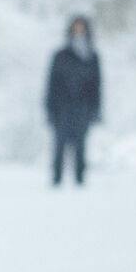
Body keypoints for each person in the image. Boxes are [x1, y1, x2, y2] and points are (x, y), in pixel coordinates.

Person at [43, 15, 102, 187]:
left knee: (81, 146)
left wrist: (95, 109)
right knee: (59, 145)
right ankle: (56, 180)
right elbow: (52, 83)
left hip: (83, 109)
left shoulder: (92, 56)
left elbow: (97, 85)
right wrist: (50, 108)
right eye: (76, 26)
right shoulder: (60, 55)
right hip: (62, 108)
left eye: (81, 26)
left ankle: (80, 179)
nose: (78, 30)